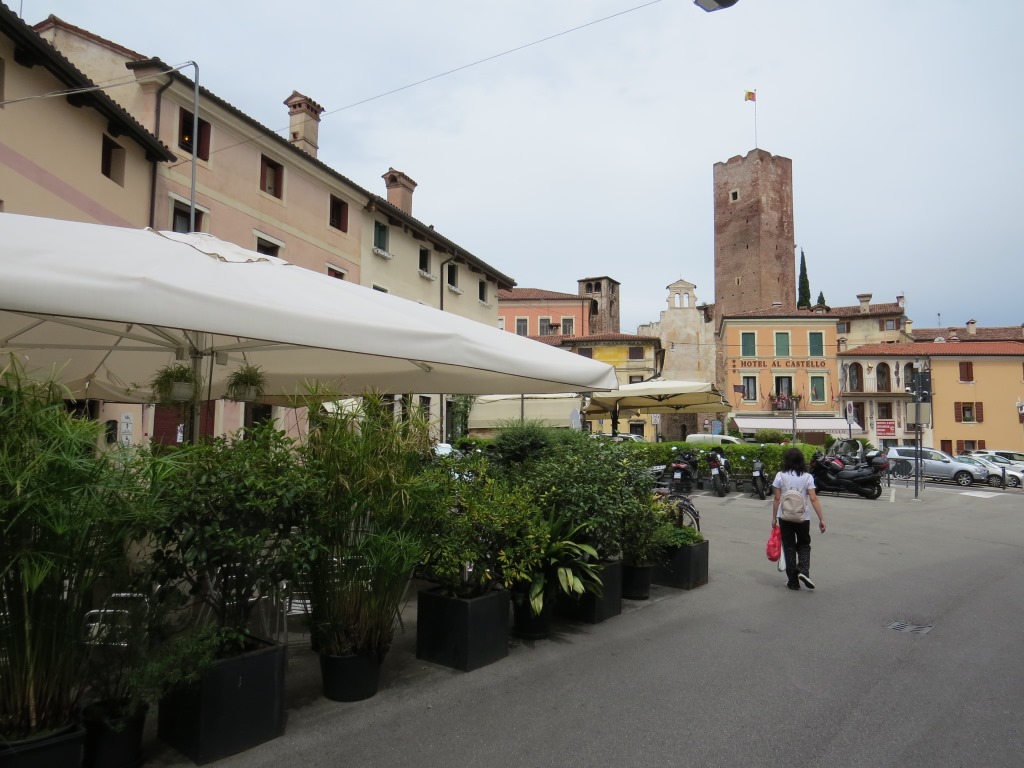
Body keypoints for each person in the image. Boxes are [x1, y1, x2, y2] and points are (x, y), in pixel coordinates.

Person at [771, 447, 826, 590]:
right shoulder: (807, 477)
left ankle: (793, 582)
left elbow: (777, 499)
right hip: (803, 517)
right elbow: (813, 498)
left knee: (788, 546)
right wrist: (821, 519)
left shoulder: (780, 476)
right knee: (804, 544)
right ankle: (803, 570)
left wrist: (774, 518)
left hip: (785, 516)